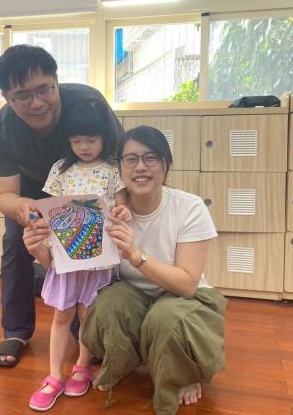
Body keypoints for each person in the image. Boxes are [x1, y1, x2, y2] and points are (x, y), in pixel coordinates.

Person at [0, 44, 123, 368]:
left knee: (103, 246)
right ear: (6, 97)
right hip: (33, 189)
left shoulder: (88, 103)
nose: (36, 103)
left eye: (43, 89)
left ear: (56, 81)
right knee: (16, 240)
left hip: (89, 185)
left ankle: (94, 327)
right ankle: (16, 330)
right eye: (22, 95)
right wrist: (23, 208)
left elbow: (121, 157)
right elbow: (4, 194)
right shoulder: (1, 129)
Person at [81, 125, 227, 415]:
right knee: (108, 304)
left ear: (166, 166)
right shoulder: (107, 211)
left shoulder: (189, 207)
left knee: (167, 318)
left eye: (151, 158)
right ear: (120, 168)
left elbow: (187, 284)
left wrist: (136, 257)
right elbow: (77, 270)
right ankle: (123, 363)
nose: (140, 167)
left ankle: (183, 373)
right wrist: (39, 251)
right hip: (134, 295)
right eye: (131, 159)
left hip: (184, 298)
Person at [22, 101, 131, 411]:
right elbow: (49, 208)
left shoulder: (112, 169)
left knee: (88, 315)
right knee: (61, 315)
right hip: (66, 256)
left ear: (104, 138)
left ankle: (82, 365)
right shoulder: (60, 168)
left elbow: (122, 206)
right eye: (76, 140)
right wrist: (36, 222)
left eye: (91, 140)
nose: (84, 147)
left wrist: (123, 212)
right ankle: (55, 376)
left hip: (99, 258)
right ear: (67, 140)